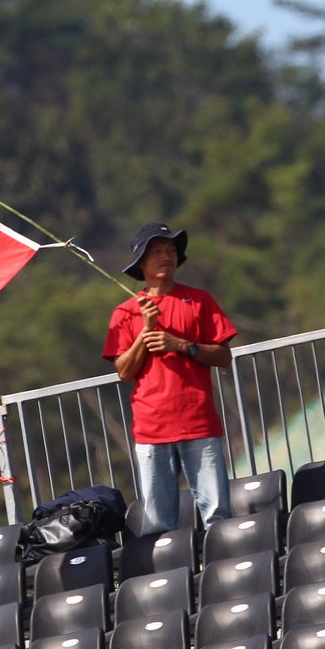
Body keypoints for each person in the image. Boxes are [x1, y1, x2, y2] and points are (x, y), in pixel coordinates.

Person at [102, 223, 238, 534]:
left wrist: (182, 345)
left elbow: (223, 356)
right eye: (157, 251)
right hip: (151, 428)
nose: (167, 256)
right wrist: (147, 331)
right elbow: (124, 371)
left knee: (217, 514)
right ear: (141, 263)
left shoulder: (200, 300)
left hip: (199, 422)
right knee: (158, 524)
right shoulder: (124, 312)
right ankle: (166, 581)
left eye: (171, 250)